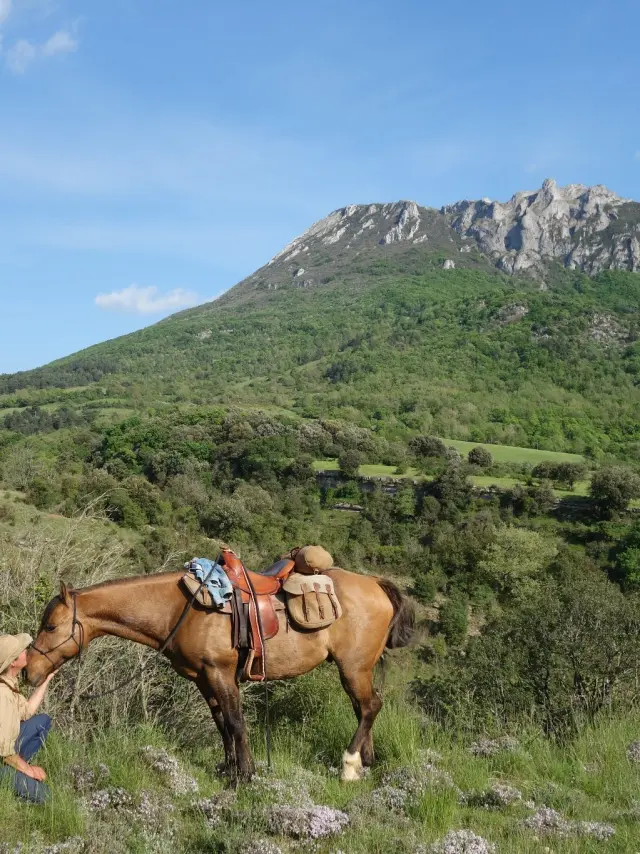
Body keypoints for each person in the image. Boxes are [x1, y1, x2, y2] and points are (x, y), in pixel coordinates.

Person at [0, 633, 55, 804]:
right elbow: (4, 752)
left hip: (5, 752)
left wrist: (47, 679)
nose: (27, 651)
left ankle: (17, 772)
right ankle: (13, 780)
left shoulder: (9, 683)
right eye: (23, 650)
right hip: (3, 756)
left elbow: (27, 712)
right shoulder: (3, 695)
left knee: (42, 722)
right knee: (47, 796)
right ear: (13, 662)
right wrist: (29, 770)